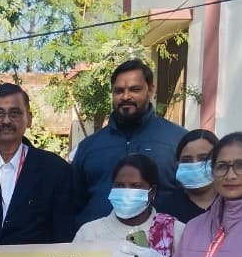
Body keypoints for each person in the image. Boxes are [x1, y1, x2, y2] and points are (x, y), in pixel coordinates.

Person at [0, 82, 75, 245]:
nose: (6, 120)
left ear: (29, 119)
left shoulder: (55, 169)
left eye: (14, 113)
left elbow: (63, 236)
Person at [72, 59, 187, 228]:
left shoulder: (177, 141)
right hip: (99, 242)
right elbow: (74, 203)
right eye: (119, 91)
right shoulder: (89, 147)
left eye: (135, 89)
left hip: (160, 241)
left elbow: (193, 198)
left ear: (150, 90)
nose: (126, 96)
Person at [162, 129, 219, 225]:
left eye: (203, 158)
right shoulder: (166, 208)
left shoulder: (233, 202)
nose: (195, 165)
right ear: (178, 164)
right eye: (187, 160)